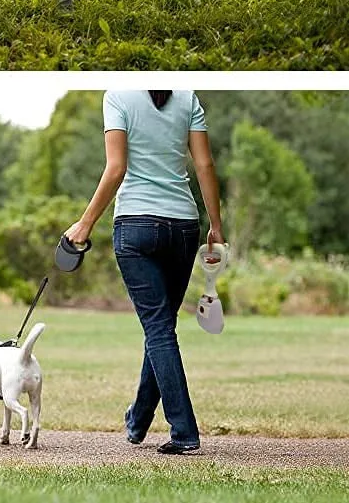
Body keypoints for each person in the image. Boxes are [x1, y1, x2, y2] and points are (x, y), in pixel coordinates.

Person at [64, 89, 224, 455]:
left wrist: (85, 224)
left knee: (158, 329)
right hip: (184, 225)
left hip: (136, 225)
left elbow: (116, 167)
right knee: (162, 327)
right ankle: (137, 421)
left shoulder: (118, 96)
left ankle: (184, 432)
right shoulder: (187, 97)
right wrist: (215, 225)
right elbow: (204, 165)